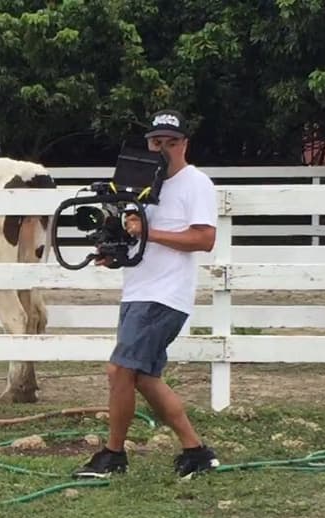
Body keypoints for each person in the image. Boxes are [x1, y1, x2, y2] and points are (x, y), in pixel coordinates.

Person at [74, 109, 221, 480]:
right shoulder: (143, 185)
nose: (164, 149)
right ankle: (195, 450)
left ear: (184, 144)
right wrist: (116, 253)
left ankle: (113, 455)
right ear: (148, 144)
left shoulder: (195, 183)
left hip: (165, 294)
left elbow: (204, 239)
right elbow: (140, 241)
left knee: (119, 370)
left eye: (172, 143)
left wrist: (148, 234)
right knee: (143, 377)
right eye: (157, 142)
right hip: (140, 290)